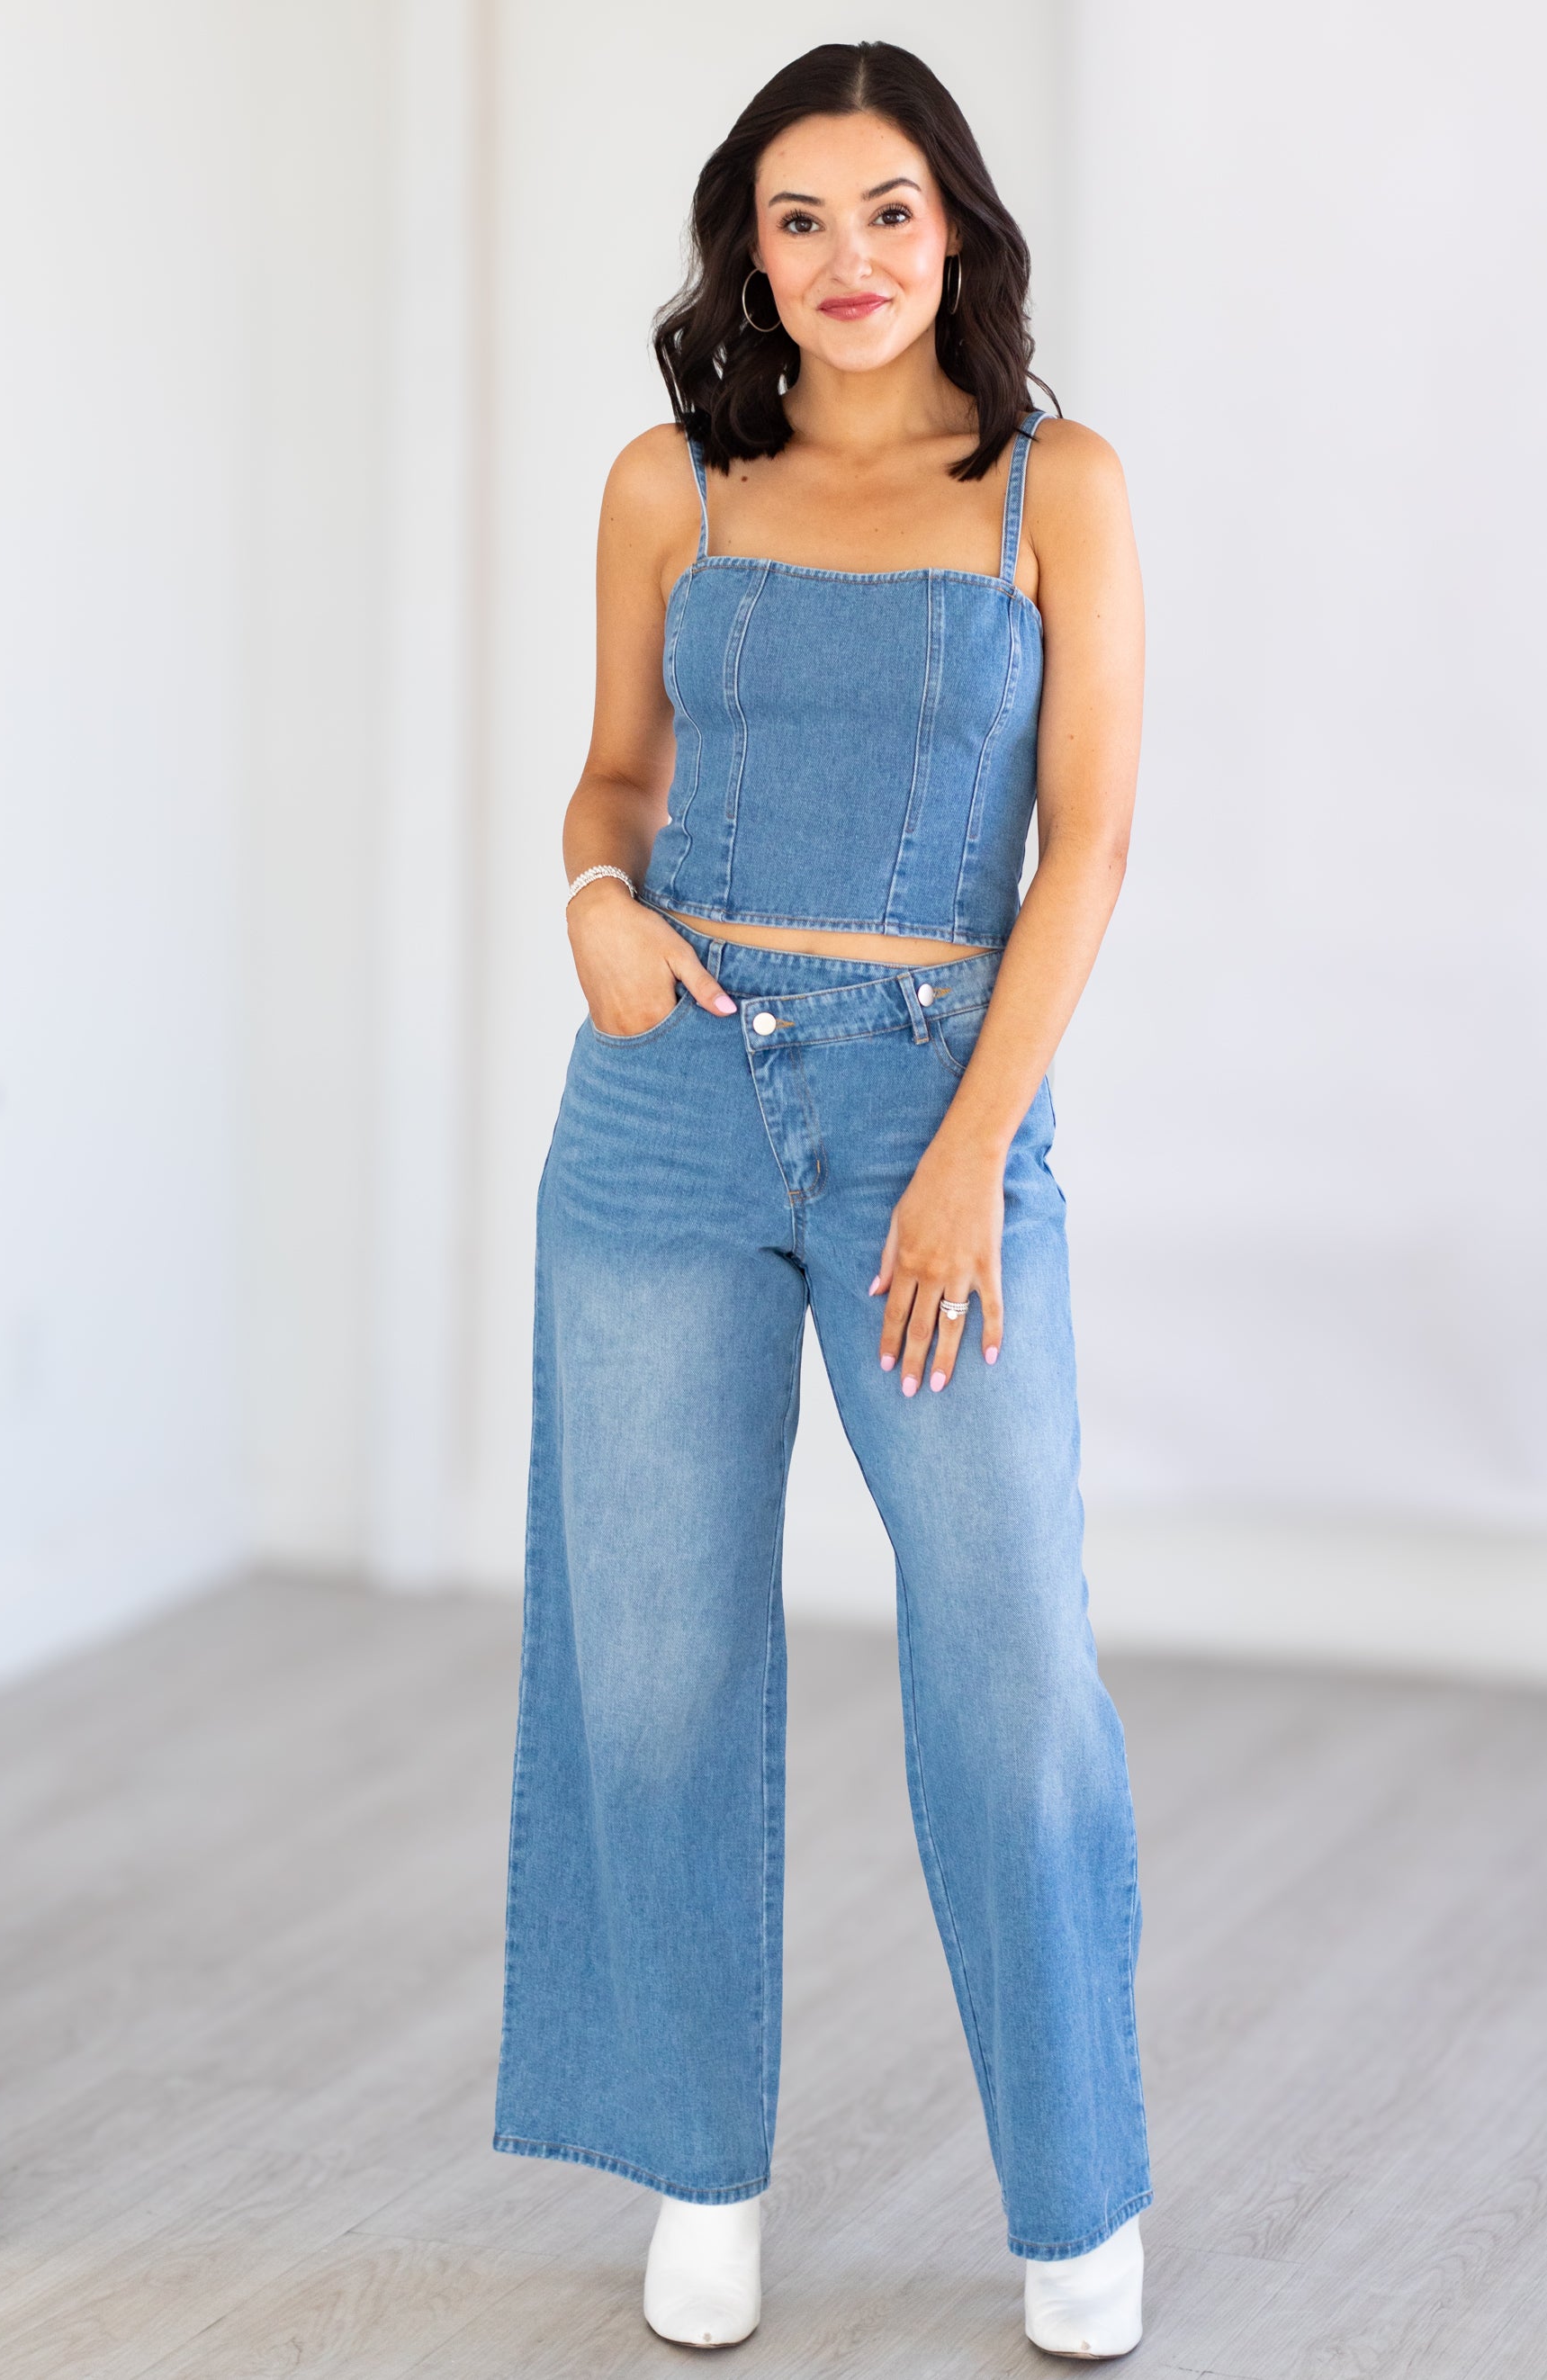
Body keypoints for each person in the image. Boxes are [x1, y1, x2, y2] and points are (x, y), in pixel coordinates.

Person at [493, 40, 1150, 2361]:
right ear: (747, 254)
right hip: (667, 1099)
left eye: (887, 211)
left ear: (952, 228)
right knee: (655, 1661)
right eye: (799, 221)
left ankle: (1077, 2192)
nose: (848, 259)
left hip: (931, 1109)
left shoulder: (1055, 487)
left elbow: (1090, 844)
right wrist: (593, 898)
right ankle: (699, 2172)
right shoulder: (668, 481)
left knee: (1010, 1664)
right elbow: (614, 774)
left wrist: (969, 1152)